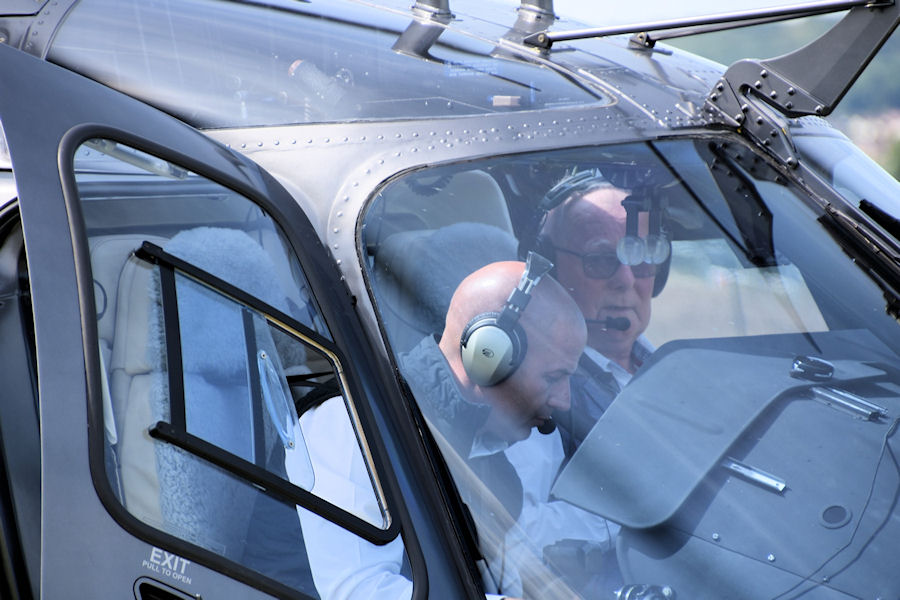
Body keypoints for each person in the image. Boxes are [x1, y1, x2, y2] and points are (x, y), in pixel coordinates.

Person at [292, 256, 587, 600]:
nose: (564, 401)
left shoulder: (492, 460)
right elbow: (359, 590)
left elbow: (511, 584)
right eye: (554, 377)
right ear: (487, 357)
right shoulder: (354, 425)